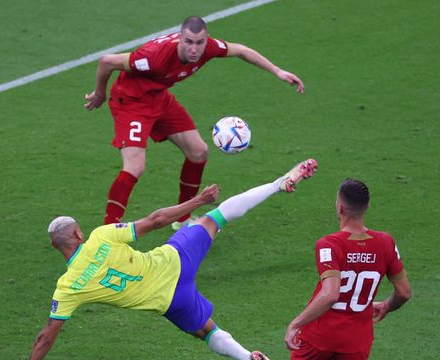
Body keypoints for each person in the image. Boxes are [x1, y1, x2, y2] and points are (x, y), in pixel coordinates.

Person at [4, 159, 317, 360]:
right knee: (215, 217)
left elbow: (48, 334)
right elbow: (154, 220)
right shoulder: (101, 236)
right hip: (174, 260)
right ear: (78, 232)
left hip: (169, 301)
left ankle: (250, 357)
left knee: (207, 332)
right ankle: (278, 184)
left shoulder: (68, 287)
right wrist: (197, 201)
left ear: (55, 245)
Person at [256, 179, 412, 360]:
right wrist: (386, 305)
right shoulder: (385, 242)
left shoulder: (330, 244)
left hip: (323, 333)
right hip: (358, 339)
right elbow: (404, 292)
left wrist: (295, 323)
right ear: (365, 208)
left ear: (339, 207)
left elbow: (330, 293)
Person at [84, 16, 305, 228]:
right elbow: (107, 62)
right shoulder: (154, 57)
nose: (194, 49)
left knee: (198, 152)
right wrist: (100, 94)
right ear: (180, 38)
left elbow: (240, 50)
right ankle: (108, 232)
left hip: (158, 97)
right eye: (188, 42)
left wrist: (278, 71)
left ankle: (182, 219)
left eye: (199, 43)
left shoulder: (208, 49)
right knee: (135, 166)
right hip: (131, 102)